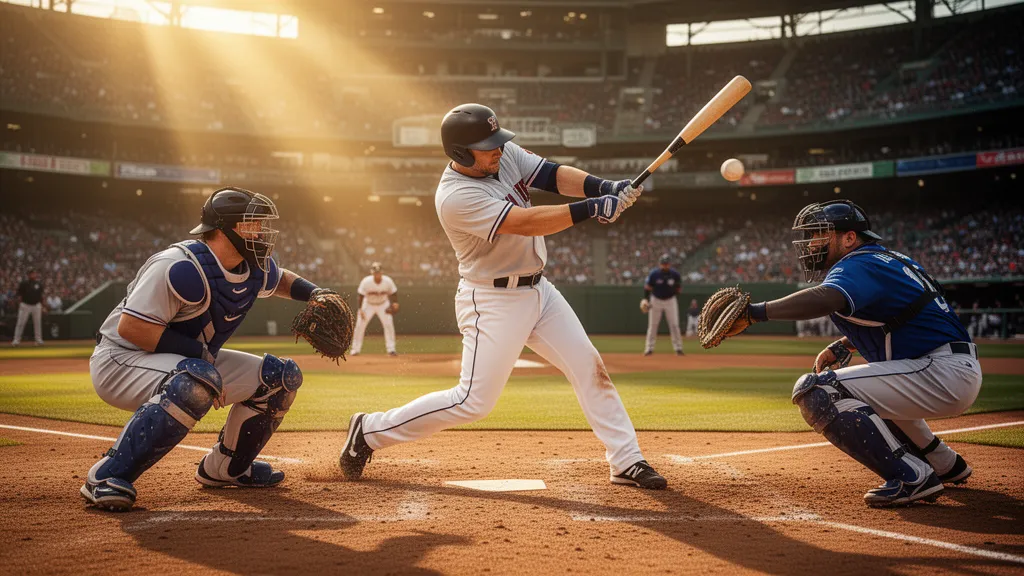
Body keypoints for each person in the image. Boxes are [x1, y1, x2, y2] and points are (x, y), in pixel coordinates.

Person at [339, 103, 667, 489]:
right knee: (472, 402)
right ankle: (369, 431)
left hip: (539, 292)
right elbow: (523, 223)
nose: (497, 149)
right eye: (487, 145)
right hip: (492, 301)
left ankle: (626, 459)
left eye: (497, 141)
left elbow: (552, 174)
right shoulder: (455, 197)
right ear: (461, 152)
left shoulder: (501, 155)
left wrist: (603, 187)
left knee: (589, 365)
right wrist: (592, 208)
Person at [80, 187, 331, 512]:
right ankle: (106, 476)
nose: (261, 231)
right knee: (196, 381)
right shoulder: (179, 266)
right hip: (121, 360)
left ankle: (227, 467)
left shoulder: (252, 264)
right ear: (226, 227)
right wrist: (199, 358)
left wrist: (317, 294)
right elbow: (132, 328)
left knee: (279, 378)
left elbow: (279, 278)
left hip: (189, 360)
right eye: (252, 223)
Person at [725, 200, 979, 507]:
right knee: (869, 395)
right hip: (943, 367)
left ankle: (911, 475)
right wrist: (845, 344)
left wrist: (754, 313)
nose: (810, 244)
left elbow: (827, 298)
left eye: (820, 234)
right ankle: (944, 463)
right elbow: (901, 315)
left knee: (817, 390)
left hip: (940, 371)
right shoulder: (886, 260)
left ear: (849, 238)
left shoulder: (858, 263)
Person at [349, 262, 399, 356]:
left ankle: (391, 349)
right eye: (375, 272)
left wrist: (395, 302)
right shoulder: (366, 281)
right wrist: (360, 309)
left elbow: (393, 292)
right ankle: (355, 349)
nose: (377, 274)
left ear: (382, 273)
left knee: (388, 325)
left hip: (383, 304)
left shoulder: (388, 281)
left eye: (379, 272)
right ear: (372, 273)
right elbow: (360, 296)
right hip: (368, 304)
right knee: (360, 326)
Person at [640, 254, 684, 355]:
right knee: (653, 325)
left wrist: (673, 292)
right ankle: (649, 348)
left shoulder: (675, 274)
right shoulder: (654, 274)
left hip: (670, 300)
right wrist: (646, 299)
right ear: (660, 264)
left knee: (674, 325)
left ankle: (678, 348)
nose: (665, 265)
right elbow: (647, 287)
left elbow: (678, 288)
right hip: (656, 300)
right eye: (663, 264)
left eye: (667, 263)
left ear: (670, 264)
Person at [12, 269, 44, 346]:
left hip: (36, 305)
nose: (33, 274)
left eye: (34, 273)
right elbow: (19, 294)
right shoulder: (24, 283)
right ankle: (16, 340)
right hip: (25, 305)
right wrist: (18, 303)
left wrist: (43, 305)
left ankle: (38, 340)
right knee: (20, 323)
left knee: (37, 323)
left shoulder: (39, 284)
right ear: (28, 275)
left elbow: (41, 296)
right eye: (31, 273)